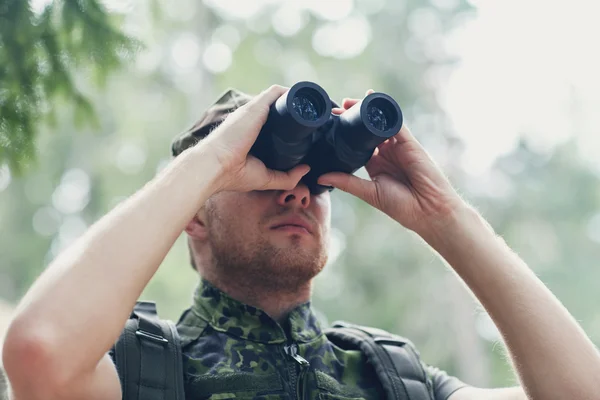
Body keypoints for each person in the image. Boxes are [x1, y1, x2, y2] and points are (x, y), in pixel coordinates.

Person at [2, 85, 600, 400]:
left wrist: (445, 218)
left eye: (311, 177)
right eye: (261, 174)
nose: (295, 192)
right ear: (193, 216)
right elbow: (39, 352)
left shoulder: (391, 379)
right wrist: (210, 161)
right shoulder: (142, 373)